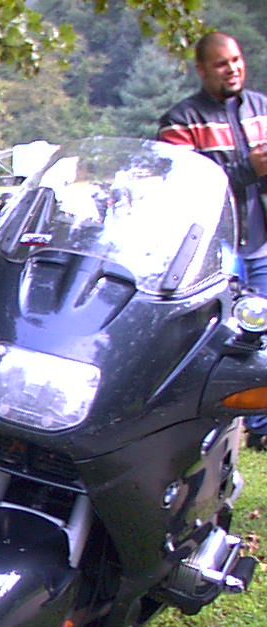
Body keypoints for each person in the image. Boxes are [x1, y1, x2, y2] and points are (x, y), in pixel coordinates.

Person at [158, 32, 267, 446]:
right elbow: (188, 187)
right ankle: (214, 427)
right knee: (222, 339)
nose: (232, 69)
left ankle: (261, 428)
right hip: (218, 251)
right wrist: (248, 167)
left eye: (236, 60)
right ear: (202, 69)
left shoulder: (261, 108)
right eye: (222, 64)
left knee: (264, 334)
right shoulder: (180, 121)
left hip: (262, 244)